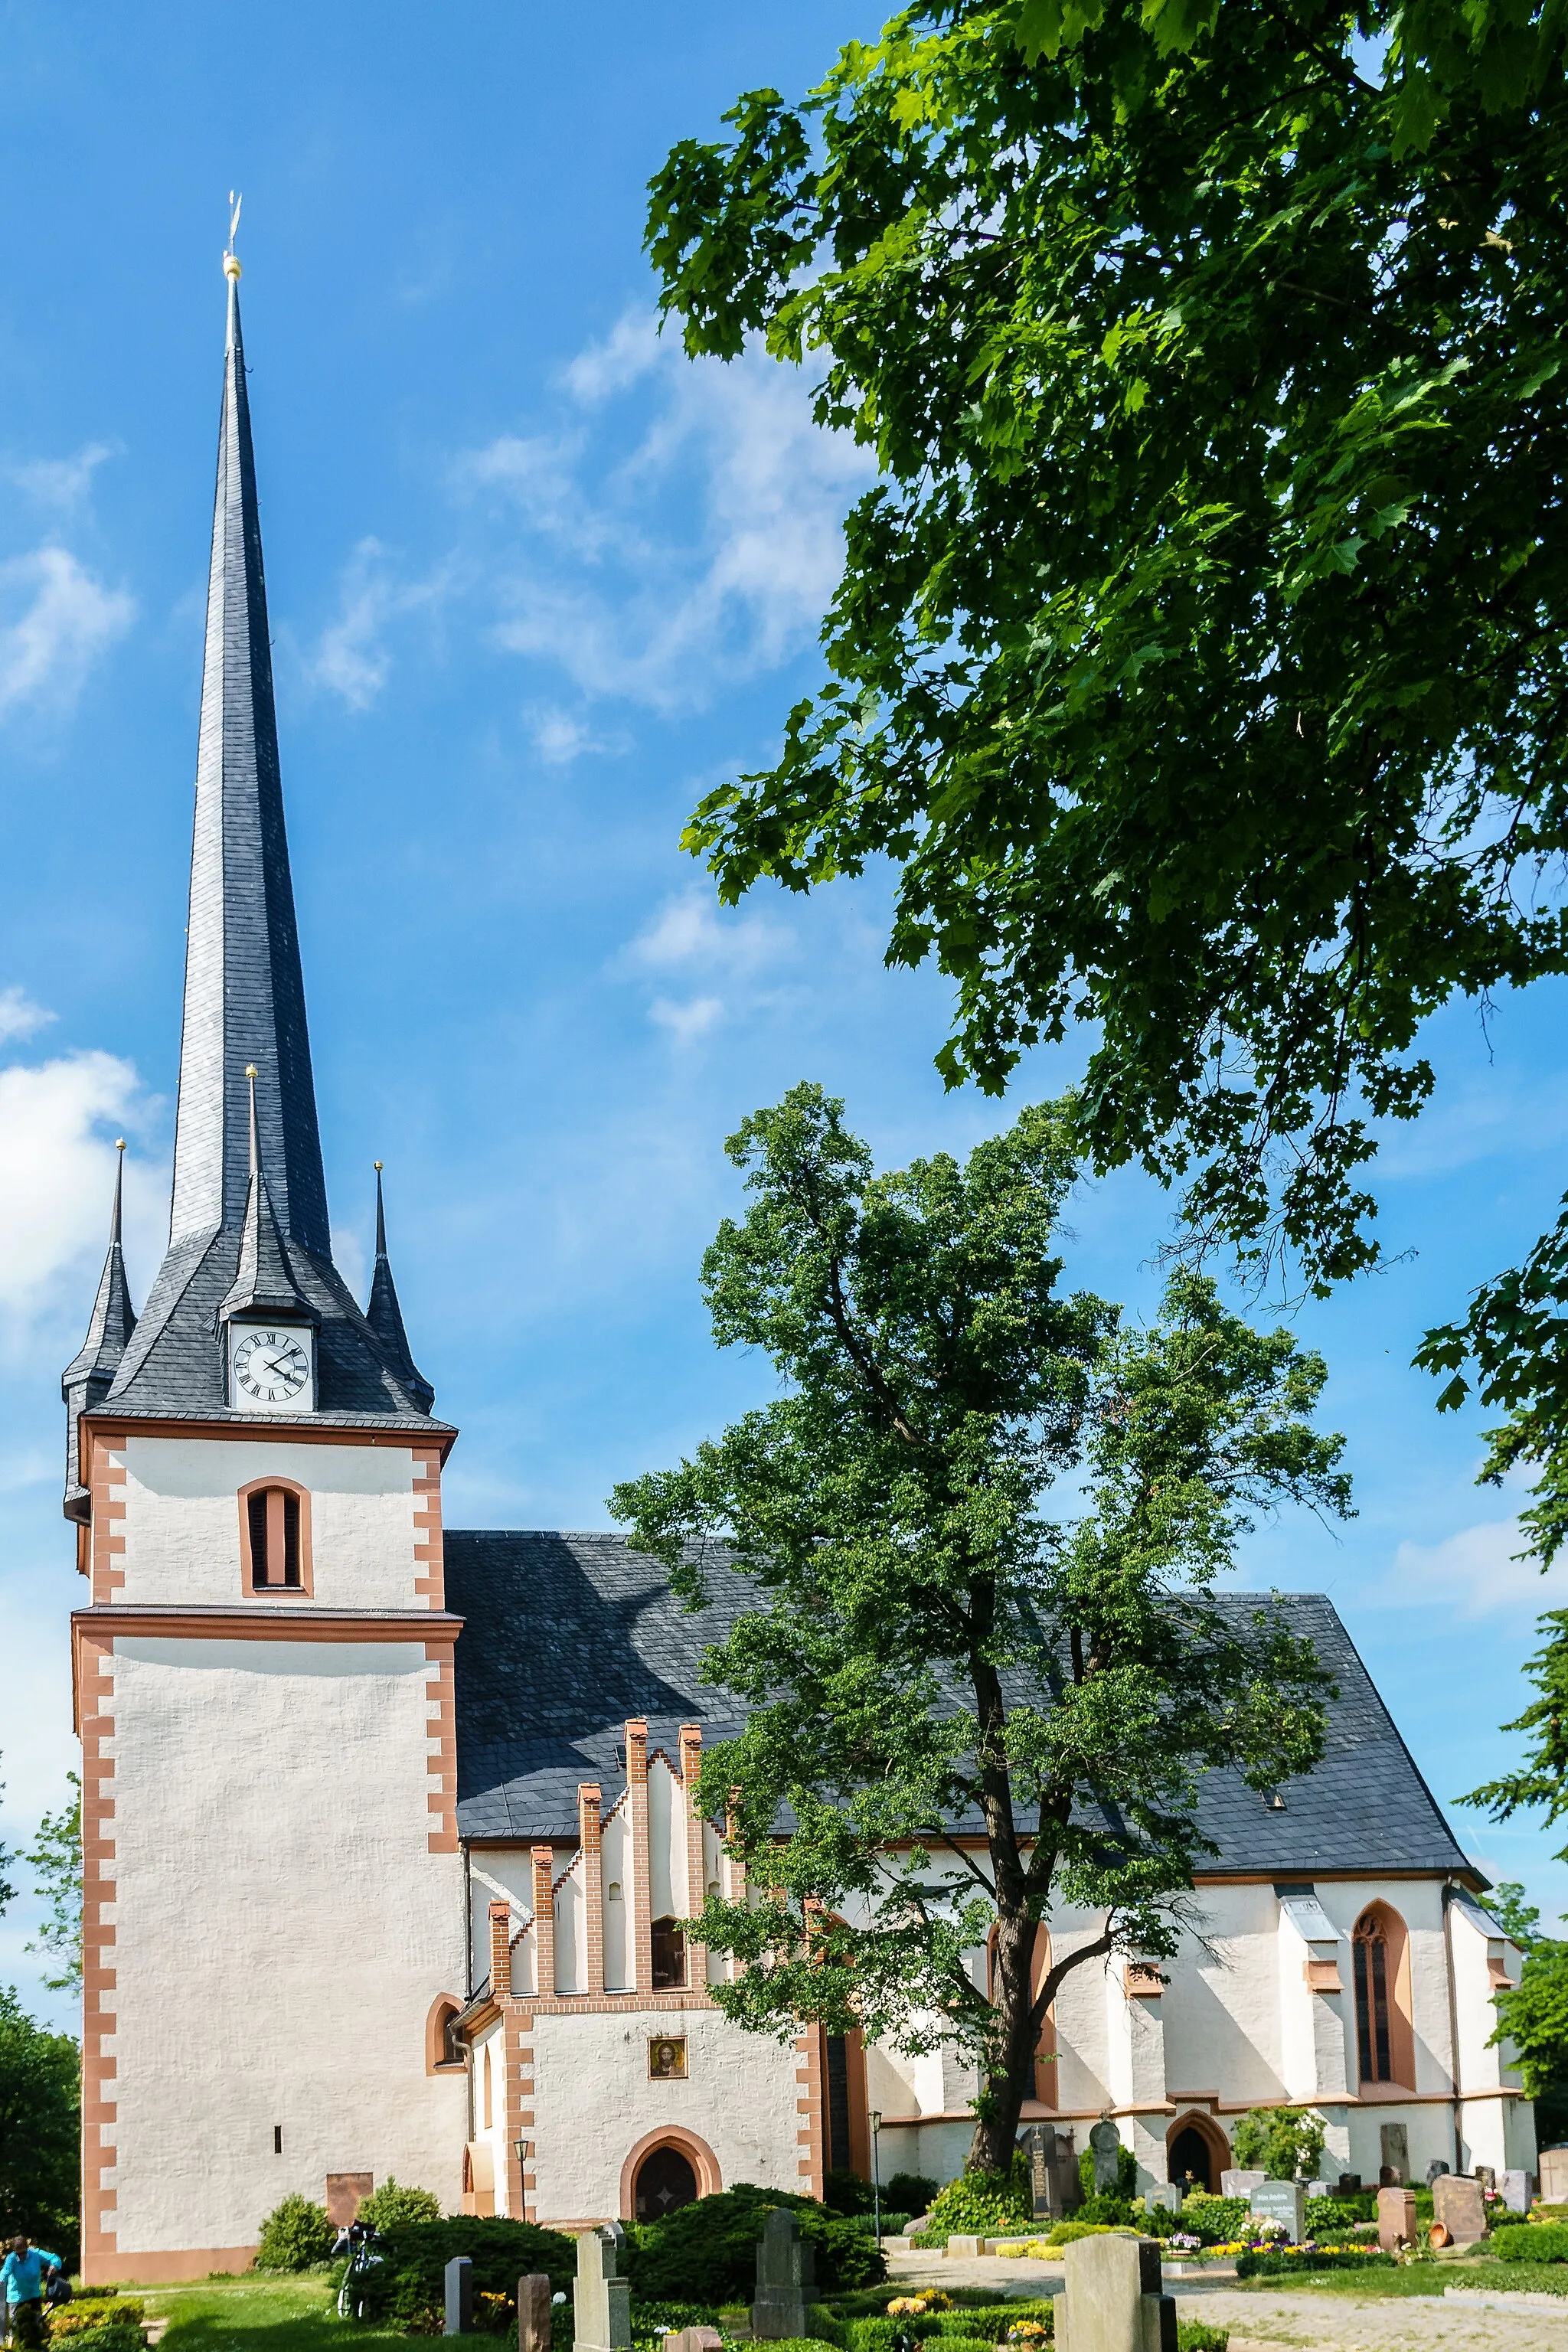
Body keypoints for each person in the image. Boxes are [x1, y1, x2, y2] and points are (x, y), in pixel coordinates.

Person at [2, 2239, 63, 2351]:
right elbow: (5, 2271)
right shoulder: (11, 2258)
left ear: (27, 2248)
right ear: (15, 2252)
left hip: (34, 2296)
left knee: (36, 2326)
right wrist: (1, 2280)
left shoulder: (36, 2254)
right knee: (16, 2328)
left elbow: (55, 2258)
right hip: (16, 2298)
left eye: (23, 2253)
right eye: (18, 2254)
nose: (21, 2256)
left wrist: (54, 2266)